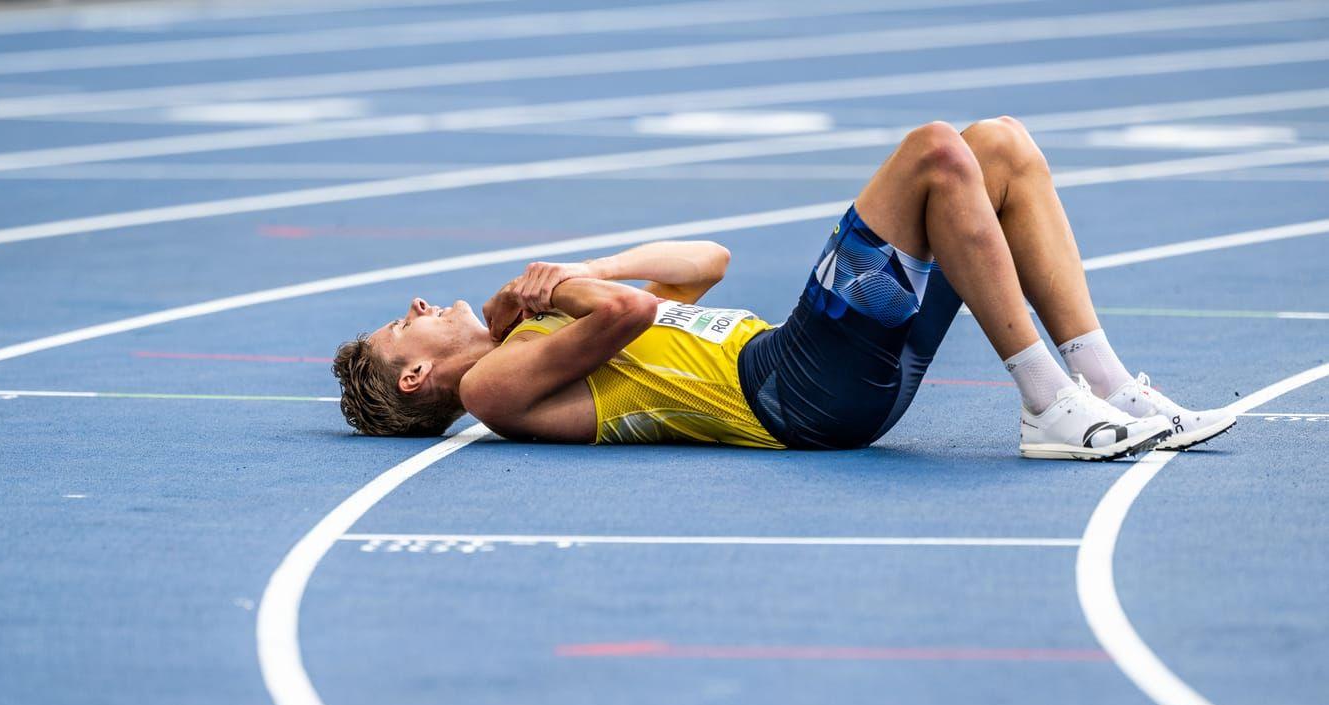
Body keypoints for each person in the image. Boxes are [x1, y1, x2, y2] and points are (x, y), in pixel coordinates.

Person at [332, 116, 1234, 459]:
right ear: (417, 379)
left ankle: (1111, 389)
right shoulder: (492, 390)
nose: (415, 306)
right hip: (791, 389)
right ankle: (1048, 406)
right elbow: (633, 311)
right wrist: (563, 288)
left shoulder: (518, 343)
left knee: (998, 147)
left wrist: (580, 272)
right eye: (398, 328)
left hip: (822, 375)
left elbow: (706, 261)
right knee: (932, 151)